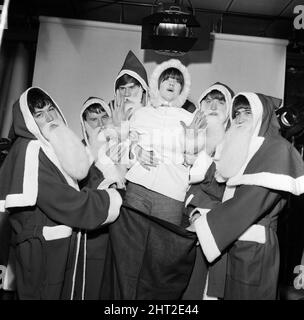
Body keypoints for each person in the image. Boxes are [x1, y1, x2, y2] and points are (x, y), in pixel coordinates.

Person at [0, 87, 122, 300]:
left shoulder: (50, 146)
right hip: (42, 254)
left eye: (51, 110)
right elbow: (68, 203)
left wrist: (104, 180)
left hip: (55, 250)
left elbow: (81, 174)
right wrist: (111, 199)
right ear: (28, 121)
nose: (49, 118)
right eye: (39, 115)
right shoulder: (30, 151)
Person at [189, 92, 304, 300]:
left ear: (261, 116)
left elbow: (249, 203)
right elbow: (227, 193)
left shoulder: (277, 151)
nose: (240, 118)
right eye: (237, 113)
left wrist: (204, 225)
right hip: (234, 243)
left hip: (254, 251)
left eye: (247, 113)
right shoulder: (248, 151)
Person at [125, 58, 206, 226]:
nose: (171, 83)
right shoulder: (141, 114)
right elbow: (125, 144)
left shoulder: (190, 118)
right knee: (130, 246)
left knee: (163, 248)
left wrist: (191, 137)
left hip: (171, 194)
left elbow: (194, 159)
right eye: (167, 78)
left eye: (177, 81)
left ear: (182, 89)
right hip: (137, 188)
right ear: (157, 83)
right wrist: (136, 151)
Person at [182, 82, 234, 300]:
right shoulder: (186, 142)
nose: (213, 106)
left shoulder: (236, 147)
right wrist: (192, 211)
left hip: (222, 229)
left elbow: (229, 193)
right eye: (208, 101)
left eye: (220, 102)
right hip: (187, 227)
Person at [109, 50, 149, 117]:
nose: (127, 94)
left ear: (142, 88)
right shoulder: (108, 113)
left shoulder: (154, 114)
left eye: (131, 87)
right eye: (122, 88)